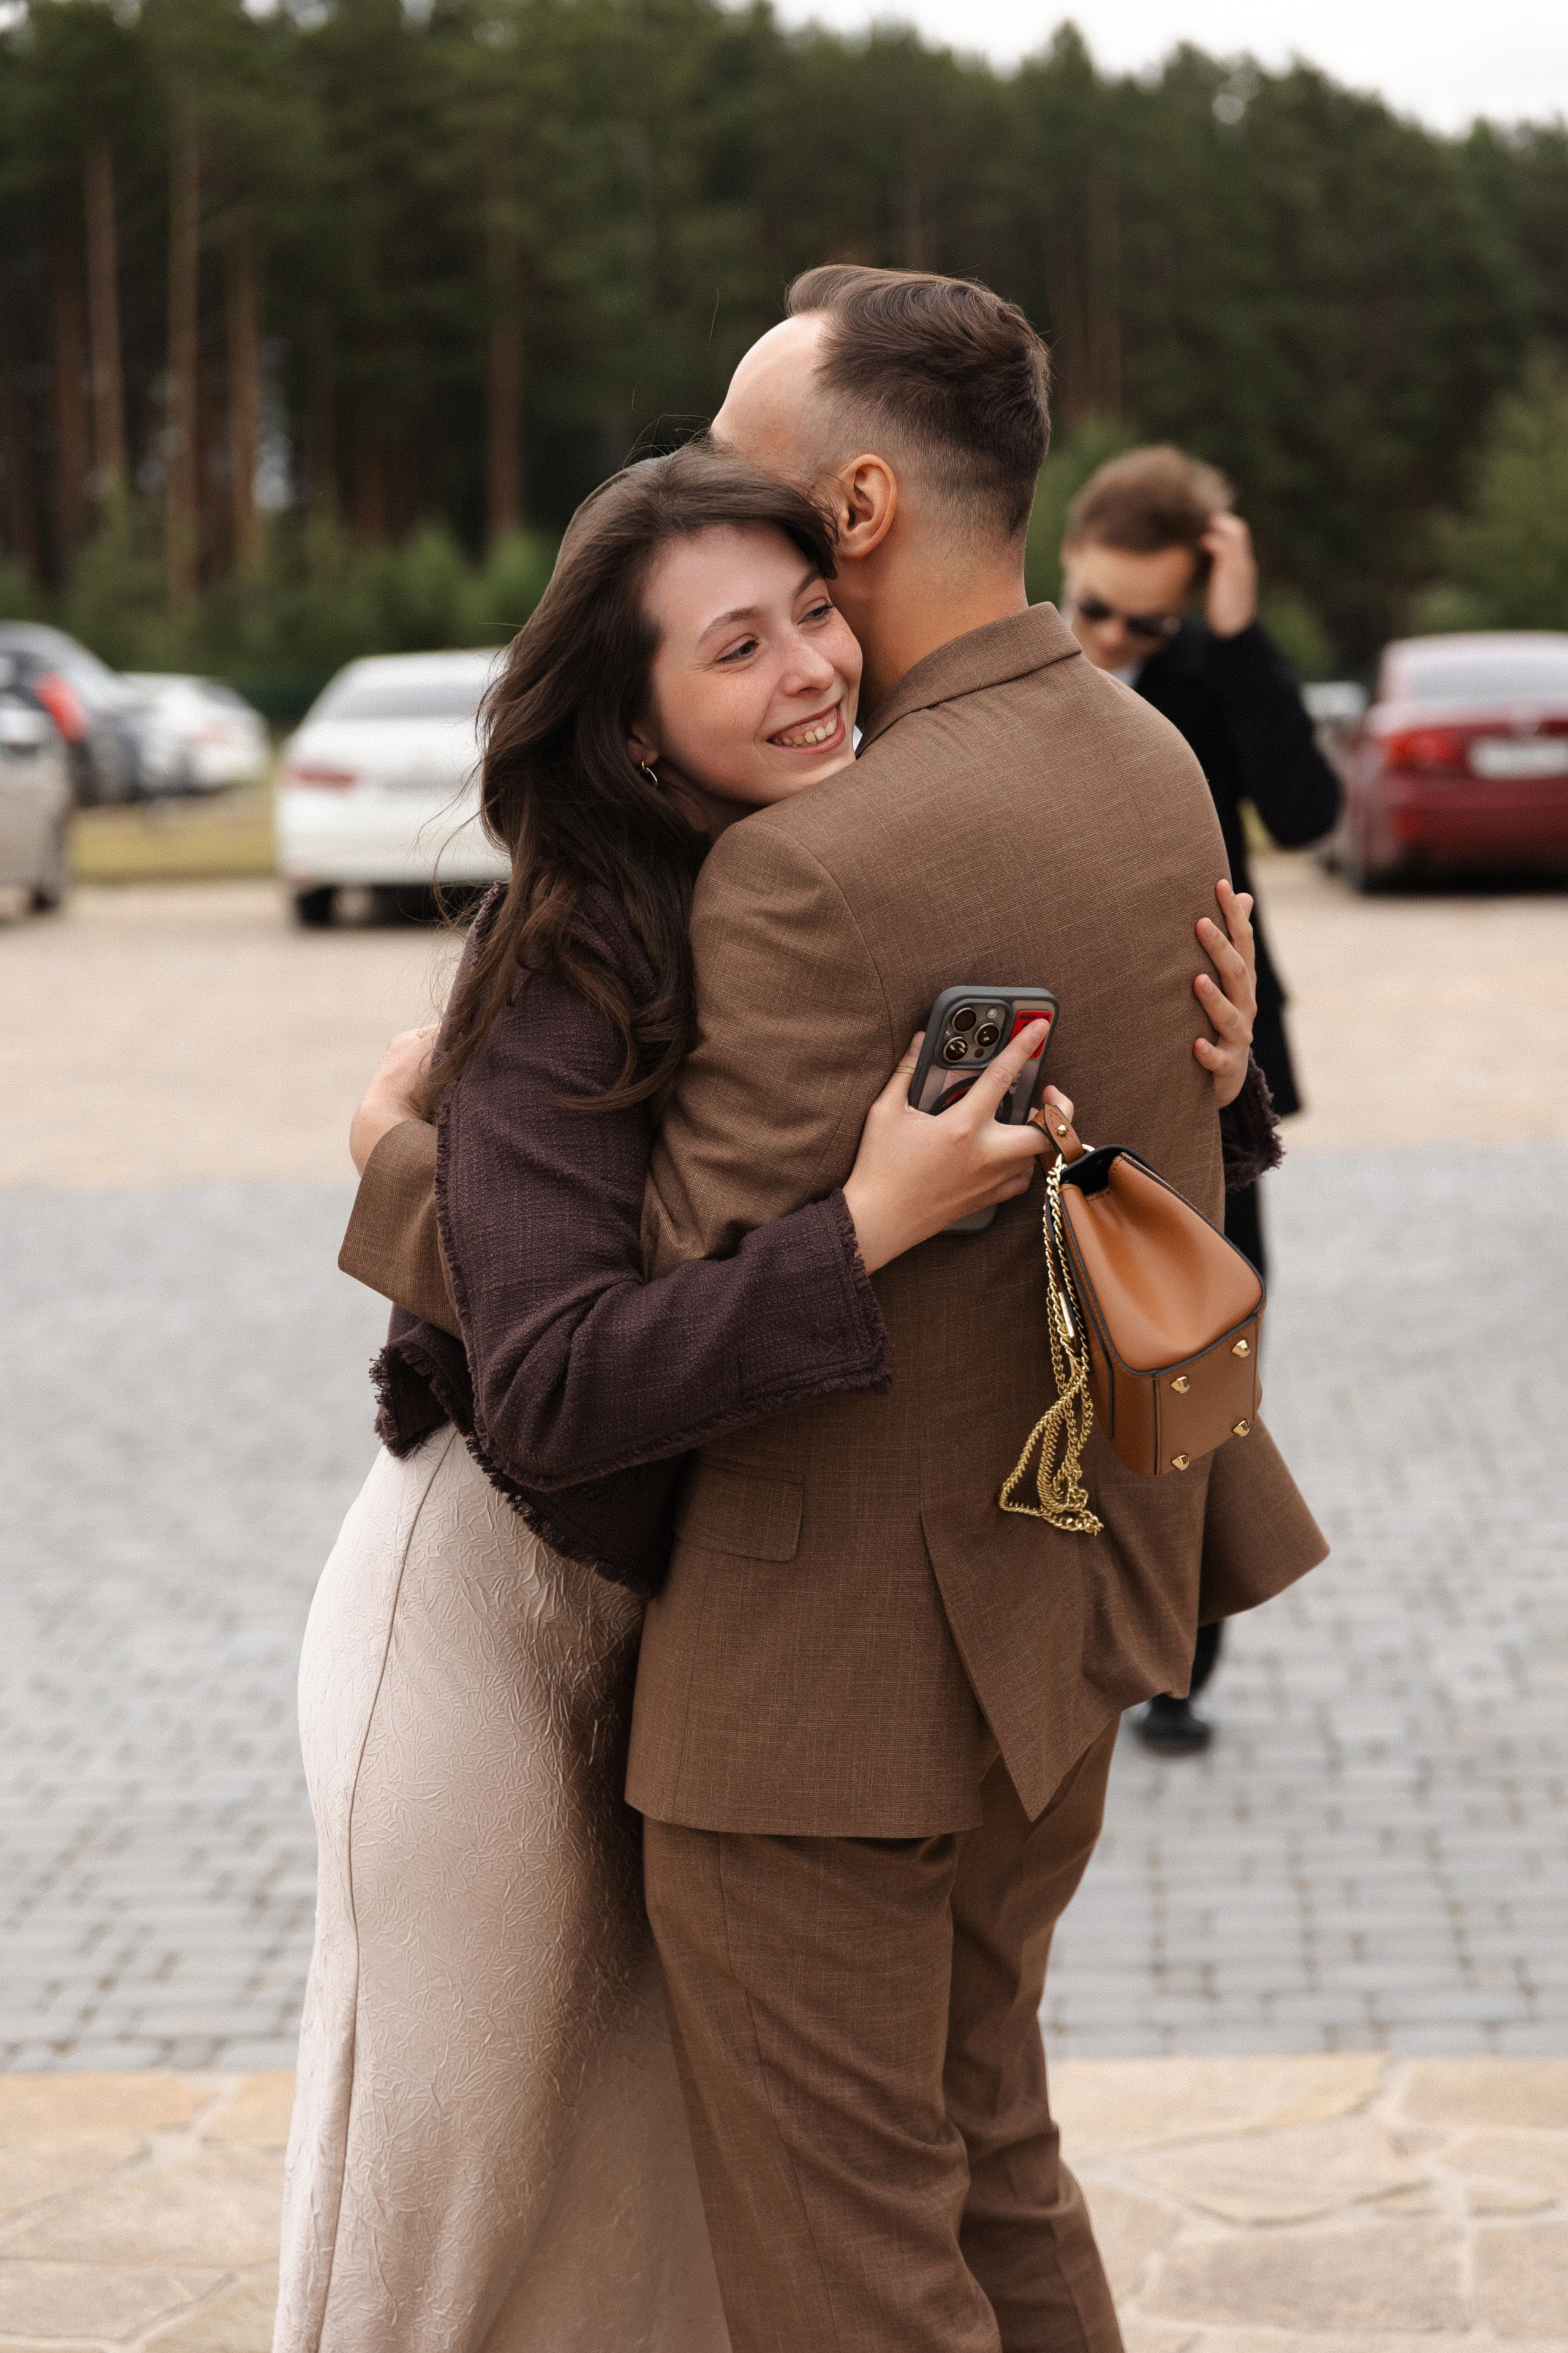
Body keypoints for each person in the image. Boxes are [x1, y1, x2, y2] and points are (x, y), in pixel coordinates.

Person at [341, 267, 1326, 2353]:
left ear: (858, 504)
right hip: (1062, 1622)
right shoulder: (1147, 759)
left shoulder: (815, 868)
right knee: (994, 2165)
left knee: (857, 2281)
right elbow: (1158, 1142)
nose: (727, 495)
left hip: (830, 1692)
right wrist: (1219, 1092)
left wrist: (401, 1170)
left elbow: (607, 1339)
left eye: (755, 470)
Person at [1061, 445, 1341, 1753]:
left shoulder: (1205, 674)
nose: (1113, 637)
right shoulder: (1023, 676)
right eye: (1095, 608)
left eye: (1145, 620)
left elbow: (1303, 804)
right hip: (1052, 1060)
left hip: (1208, 1064)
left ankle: (1175, 1651)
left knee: (1201, 1340)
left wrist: (1232, 641)